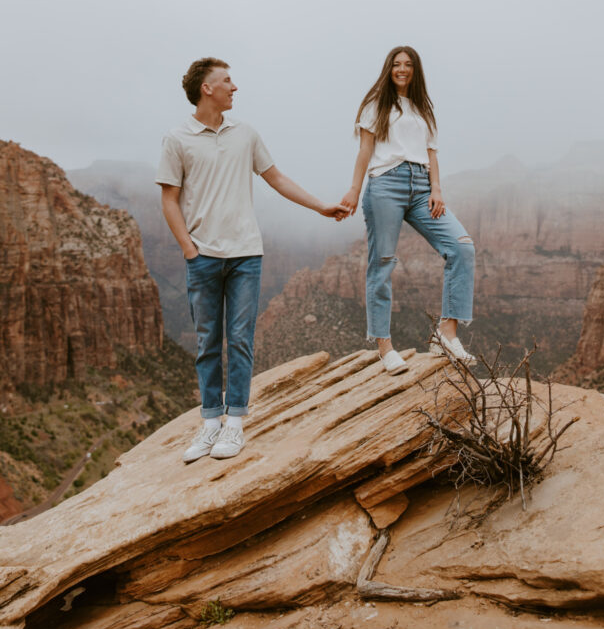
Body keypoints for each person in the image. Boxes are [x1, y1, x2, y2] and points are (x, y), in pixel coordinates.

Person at [157, 57, 348, 463]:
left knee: (240, 340)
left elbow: (276, 178)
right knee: (208, 342)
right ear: (207, 88)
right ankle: (210, 422)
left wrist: (320, 207)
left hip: (246, 255)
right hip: (203, 257)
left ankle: (235, 424)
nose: (234, 87)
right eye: (227, 81)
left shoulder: (246, 134)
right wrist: (189, 250)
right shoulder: (178, 139)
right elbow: (169, 199)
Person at [341, 46, 476, 372]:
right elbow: (365, 150)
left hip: (421, 187)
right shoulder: (376, 105)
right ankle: (384, 347)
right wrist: (354, 190)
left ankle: (446, 332)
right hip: (386, 184)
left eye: (408, 64)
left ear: (415, 70)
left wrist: (437, 190)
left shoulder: (422, 108)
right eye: (396, 64)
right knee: (383, 263)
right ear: (389, 69)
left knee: (462, 248)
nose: (402, 69)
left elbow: (431, 153)